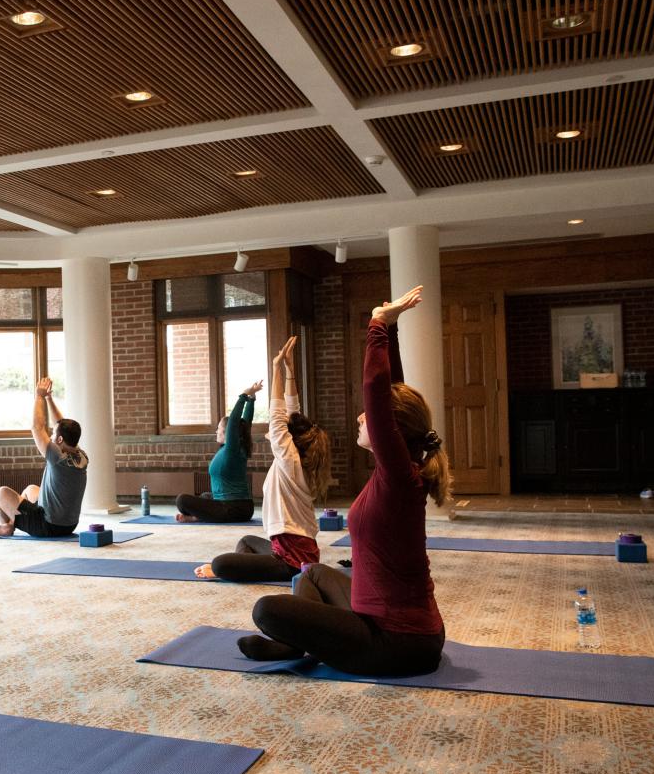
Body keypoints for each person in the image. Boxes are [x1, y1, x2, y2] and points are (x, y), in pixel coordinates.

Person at [236, 285, 450, 676]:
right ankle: (296, 644)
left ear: (391, 431)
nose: (360, 418)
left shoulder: (400, 478)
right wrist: (394, 331)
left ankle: (294, 644)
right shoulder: (400, 471)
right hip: (389, 624)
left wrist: (377, 324)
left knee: (266, 608)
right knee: (312, 572)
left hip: (398, 643)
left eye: (368, 416)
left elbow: (378, 394)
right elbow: (390, 396)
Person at [195, 337, 332, 582]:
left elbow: (278, 415)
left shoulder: (289, 460)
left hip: (291, 560)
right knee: (246, 541)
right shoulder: (298, 459)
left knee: (220, 564)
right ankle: (248, 567)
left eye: (284, 430)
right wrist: (289, 372)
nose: (279, 429)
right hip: (289, 549)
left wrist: (275, 368)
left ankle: (240, 569)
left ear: (289, 437)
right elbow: (292, 411)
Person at [0, 377, 88, 538]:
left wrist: (39, 396)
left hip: (48, 525)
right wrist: (49, 398)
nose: (51, 437)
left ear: (60, 440)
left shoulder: (57, 456)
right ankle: (14, 522)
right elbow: (60, 423)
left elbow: (37, 427)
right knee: (30, 490)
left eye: (54, 434)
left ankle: (7, 527)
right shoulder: (80, 455)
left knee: (0, 494)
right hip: (69, 525)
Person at [174, 380, 261, 523]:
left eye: (219, 429)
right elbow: (246, 423)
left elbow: (234, 421)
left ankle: (197, 517)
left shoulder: (232, 449)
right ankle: (200, 515)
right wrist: (252, 399)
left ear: (227, 433)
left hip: (232, 508)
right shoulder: (236, 447)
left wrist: (244, 395)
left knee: (181, 500)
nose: (216, 431)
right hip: (242, 507)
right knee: (205, 496)